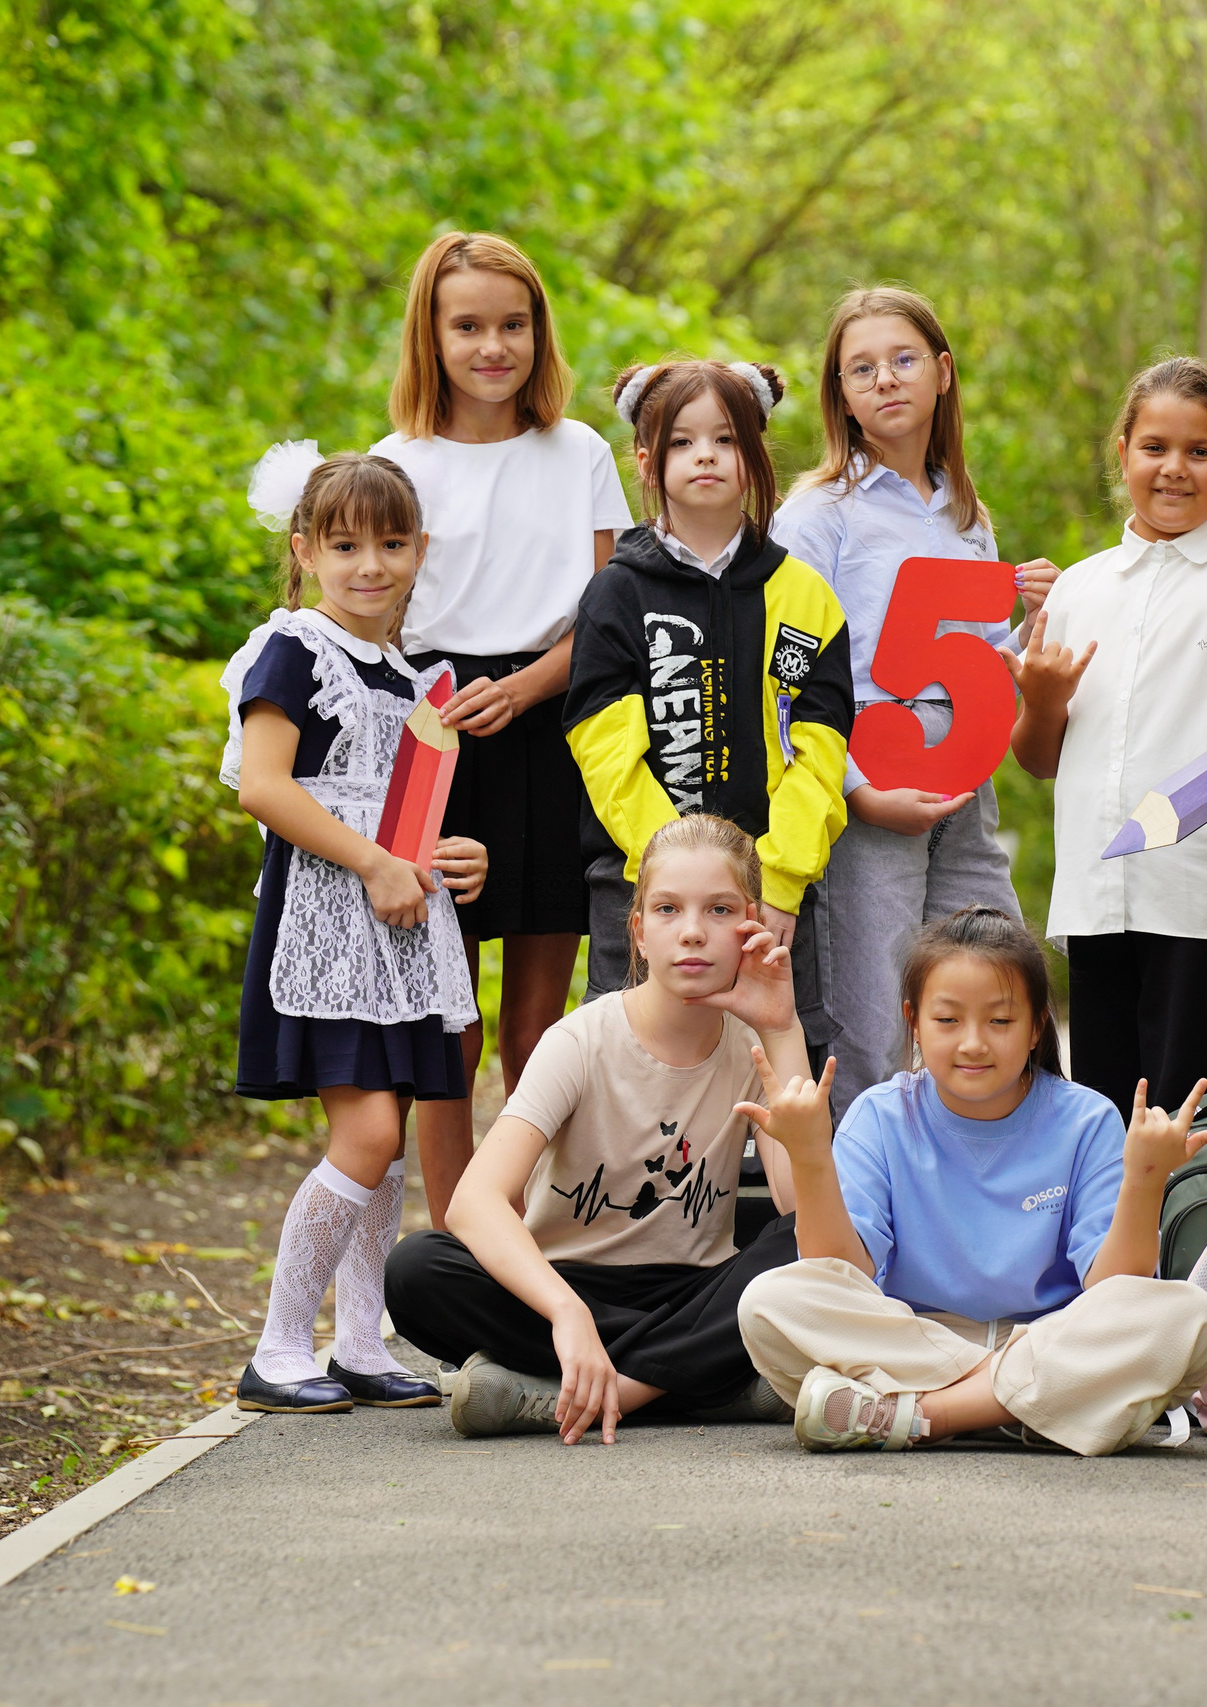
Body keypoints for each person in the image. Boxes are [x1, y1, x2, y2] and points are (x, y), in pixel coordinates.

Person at [734, 907, 1207, 1455]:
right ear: (913, 1020)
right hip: (916, 1340)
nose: (973, 1043)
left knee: (1193, 1317)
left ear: (1038, 1024)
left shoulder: (1087, 1120)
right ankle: (1026, 1406)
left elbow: (1113, 1289)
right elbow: (842, 1273)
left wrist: (1146, 1180)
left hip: (1051, 1336)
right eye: (947, 1020)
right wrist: (808, 1157)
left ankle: (926, 1416)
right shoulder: (880, 1115)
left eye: (999, 1021)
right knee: (768, 1301)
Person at [383, 815, 807, 1443]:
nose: (692, 932)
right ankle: (702, 1384)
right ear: (638, 932)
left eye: (718, 910)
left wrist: (783, 1029)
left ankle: (594, 1393)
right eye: (667, 909)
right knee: (416, 1269)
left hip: (692, 1290)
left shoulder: (755, 1044)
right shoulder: (580, 1040)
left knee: (809, 1243)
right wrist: (566, 1313)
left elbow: (802, 1204)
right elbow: (474, 1203)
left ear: (751, 923)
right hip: (567, 1283)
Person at [372, 232, 634, 1230]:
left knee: (536, 1024)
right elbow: (373, 608)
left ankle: (543, 1239)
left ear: (539, 333)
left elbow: (606, 616)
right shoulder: (398, 462)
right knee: (451, 1018)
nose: (493, 345)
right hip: (430, 734)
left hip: (550, 722)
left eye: (512, 324)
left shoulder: (578, 456)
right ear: (431, 338)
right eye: (468, 325)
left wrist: (525, 689)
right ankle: (456, 1245)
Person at [219, 448, 486, 1414]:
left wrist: (451, 858)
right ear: (306, 550)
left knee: (394, 1137)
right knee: (366, 1130)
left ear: (419, 551)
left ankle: (362, 1342)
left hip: (406, 931)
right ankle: (280, 1343)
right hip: (329, 927)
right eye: (344, 544)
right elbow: (264, 784)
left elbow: (402, 809)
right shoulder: (290, 649)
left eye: (391, 542)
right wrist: (373, 862)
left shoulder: (414, 676)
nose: (369, 563)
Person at [1008, 357, 1207, 1118]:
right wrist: (1043, 699)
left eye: (1200, 451)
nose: (1174, 469)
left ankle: (1205, 1242)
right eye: (1154, 447)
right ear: (1122, 452)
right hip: (1101, 899)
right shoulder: (1080, 588)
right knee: (1109, 1112)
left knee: (1203, 1120)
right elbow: (1038, 756)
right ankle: (1115, 1244)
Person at [772, 287, 1053, 1117]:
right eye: (862, 369)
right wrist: (858, 788)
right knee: (877, 1002)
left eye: (902, 361)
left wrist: (1034, 619)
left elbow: (977, 659)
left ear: (942, 372)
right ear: (842, 395)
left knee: (1000, 969)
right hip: (870, 770)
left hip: (965, 773)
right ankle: (868, 1213)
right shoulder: (818, 515)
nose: (885, 380)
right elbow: (781, 680)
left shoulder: (968, 516)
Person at [562, 359, 854, 1056]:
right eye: (682, 442)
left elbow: (819, 750)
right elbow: (603, 748)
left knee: (781, 1066)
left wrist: (776, 882)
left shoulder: (802, 595)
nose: (705, 457)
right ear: (645, 458)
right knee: (631, 1062)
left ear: (754, 457)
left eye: (725, 440)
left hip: (769, 888)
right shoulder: (616, 592)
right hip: (640, 884)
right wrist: (676, 876)